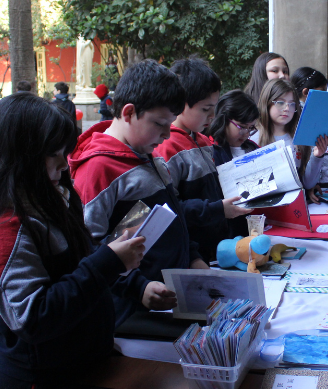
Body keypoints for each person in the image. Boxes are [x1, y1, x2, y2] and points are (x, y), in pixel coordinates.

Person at [0, 93, 145, 389]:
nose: (64, 164)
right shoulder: (2, 228)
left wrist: (121, 269)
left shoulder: (49, 196)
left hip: (77, 371)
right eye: (54, 153)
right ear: (19, 156)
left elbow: (79, 262)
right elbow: (33, 318)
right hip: (38, 388)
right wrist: (107, 263)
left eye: (65, 152)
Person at [69, 59, 206, 328]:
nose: (167, 134)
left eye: (170, 124)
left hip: (168, 300)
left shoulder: (149, 155)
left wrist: (193, 257)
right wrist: (137, 287)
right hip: (130, 313)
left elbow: (173, 216)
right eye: (159, 123)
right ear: (129, 113)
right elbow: (87, 248)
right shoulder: (97, 168)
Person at [155, 57, 252, 261]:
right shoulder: (167, 147)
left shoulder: (204, 141)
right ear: (180, 104)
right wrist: (217, 210)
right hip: (194, 255)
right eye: (205, 109)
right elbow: (170, 209)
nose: (212, 116)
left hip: (218, 249)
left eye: (214, 108)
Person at [254, 78, 327, 203]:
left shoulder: (300, 137)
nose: (287, 108)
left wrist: (317, 156)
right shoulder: (254, 138)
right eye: (280, 103)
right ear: (267, 103)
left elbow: (308, 183)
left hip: (297, 205)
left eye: (292, 104)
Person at [209, 89, 260, 165]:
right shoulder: (211, 151)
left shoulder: (253, 148)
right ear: (224, 120)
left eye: (250, 128)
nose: (246, 134)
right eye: (242, 127)